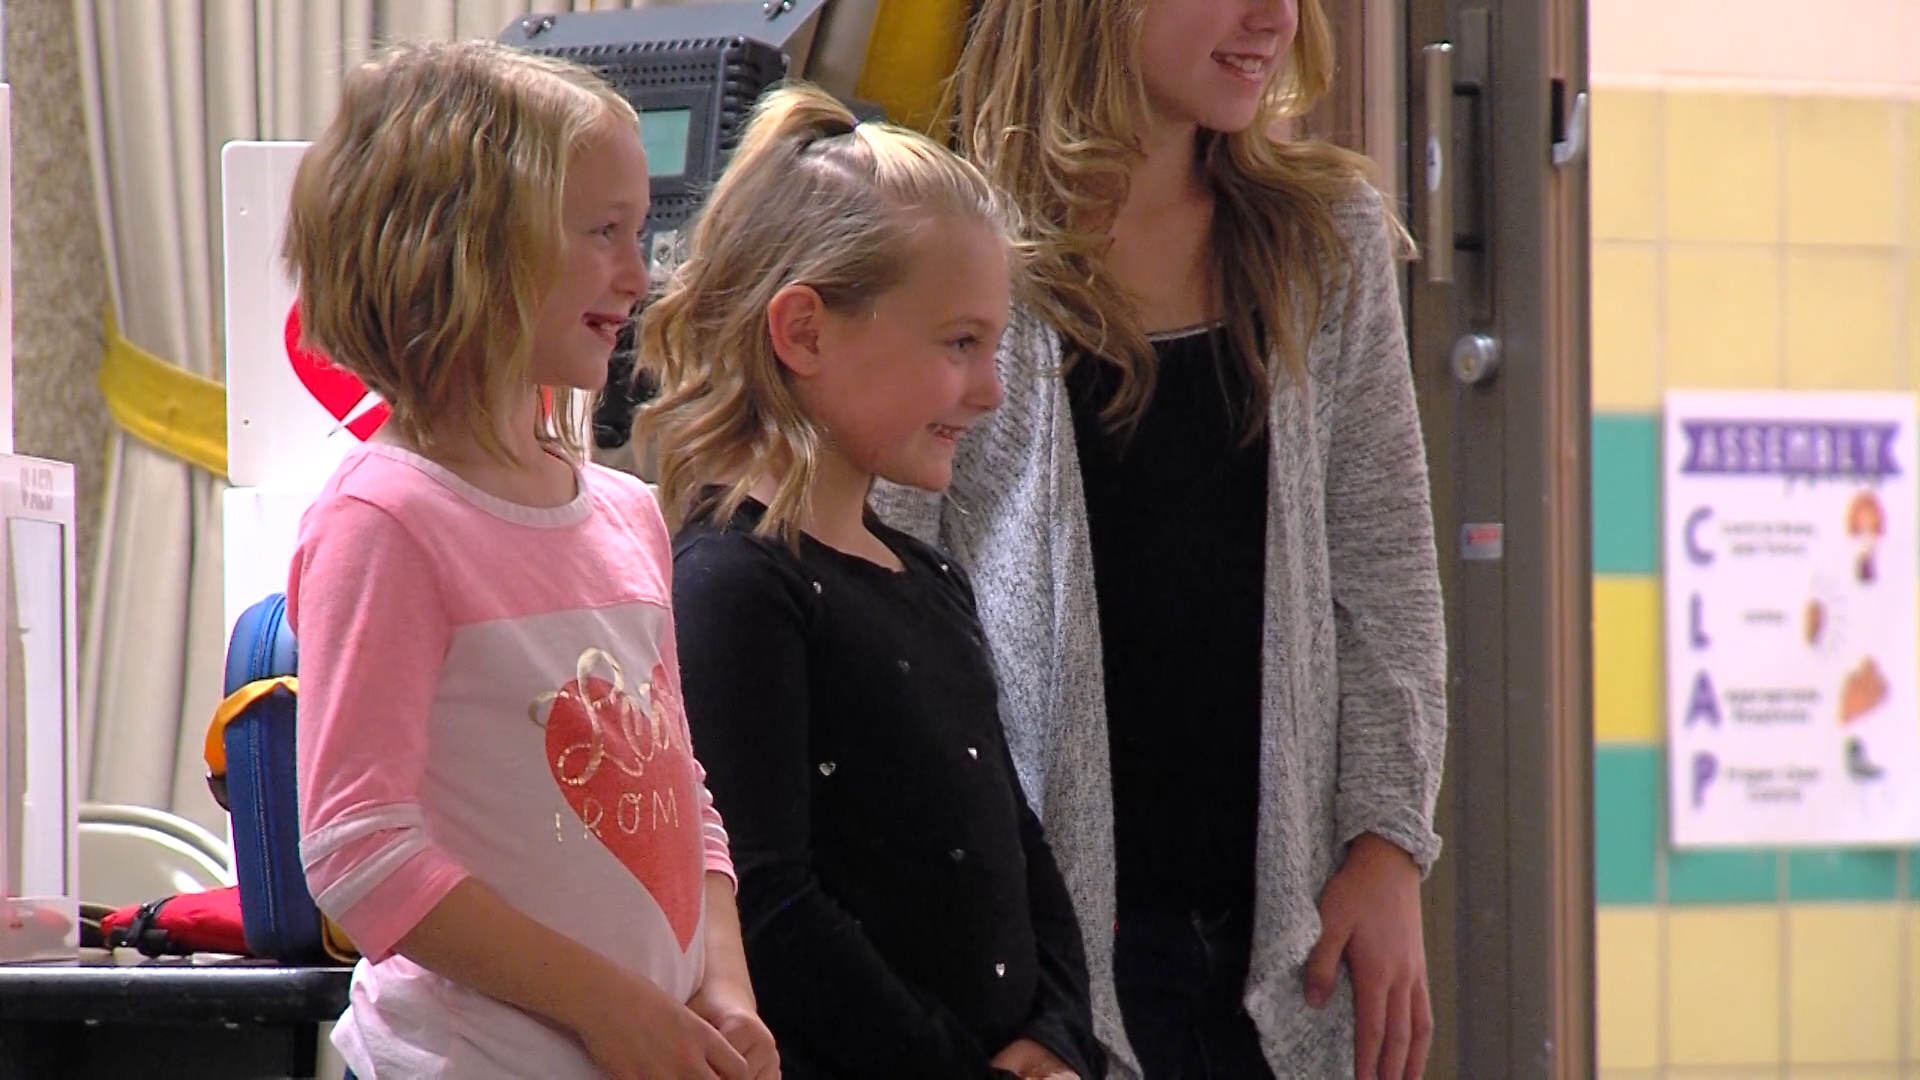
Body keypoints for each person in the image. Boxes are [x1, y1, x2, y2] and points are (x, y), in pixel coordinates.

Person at [873, 1, 1449, 1077]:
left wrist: (1387, 843)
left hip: (1288, 940)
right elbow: (887, 599)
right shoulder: (951, 247)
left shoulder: (1326, 239)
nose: (1273, 15)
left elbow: (1384, 562)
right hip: (1035, 954)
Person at [283, 40, 777, 1080]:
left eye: (637, 233)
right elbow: (357, 852)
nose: (639, 276)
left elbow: (681, 795)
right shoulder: (389, 519)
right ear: (466, 245)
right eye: (603, 233)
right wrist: (609, 1010)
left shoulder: (629, 516)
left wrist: (720, 992)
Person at [635, 83, 1104, 1080]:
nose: (990, 390)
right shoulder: (733, 587)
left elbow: (1018, 851)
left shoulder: (927, 574)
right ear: (803, 331)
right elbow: (769, 906)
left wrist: (1058, 1036)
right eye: (959, 344)